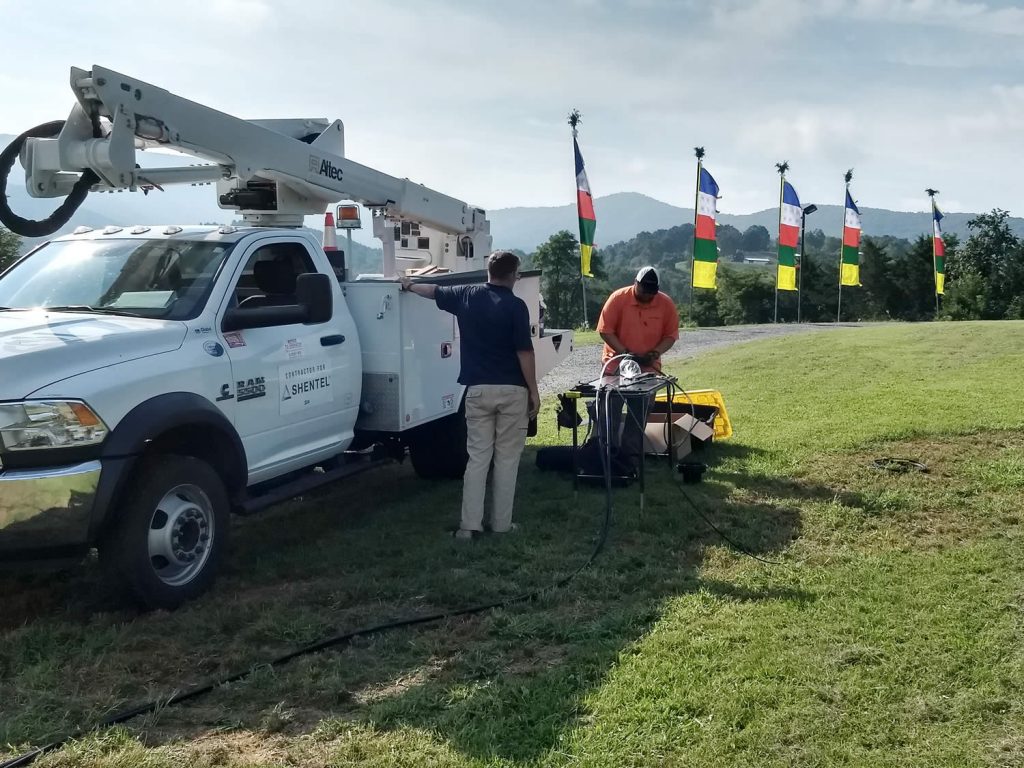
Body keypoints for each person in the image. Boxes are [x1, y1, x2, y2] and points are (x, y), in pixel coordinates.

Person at [400, 251, 540, 540]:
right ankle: (501, 525)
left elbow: (433, 291)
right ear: (513, 275)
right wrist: (533, 391)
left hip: (476, 390)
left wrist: (408, 284)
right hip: (512, 390)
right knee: (506, 459)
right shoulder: (516, 306)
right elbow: (524, 352)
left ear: (488, 272)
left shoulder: (466, 294)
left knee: (477, 458)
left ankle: (469, 526)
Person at [594, 266, 679, 473]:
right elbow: (605, 331)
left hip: (648, 368)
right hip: (615, 366)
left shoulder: (666, 304)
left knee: (639, 414)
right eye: (643, 291)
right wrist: (625, 352)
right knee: (610, 412)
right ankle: (607, 454)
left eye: (652, 293)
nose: (647, 296)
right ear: (636, 283)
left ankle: (629, 457)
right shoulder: (618, 299)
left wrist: (655, 352)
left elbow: (671, 335)